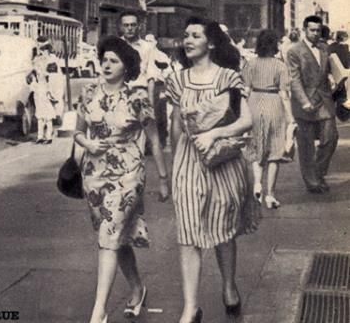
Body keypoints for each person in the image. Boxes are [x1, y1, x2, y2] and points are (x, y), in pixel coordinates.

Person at [166, 17, 256, 323]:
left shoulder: (228, 78)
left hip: (223, 164)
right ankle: (190, 307)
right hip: (188, 163)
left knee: (222, 230)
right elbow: (176, 126)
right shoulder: (177, 80)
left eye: (195, 35)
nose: (187, 40)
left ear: (211, 42)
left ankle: (229, 286)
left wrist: (215, 134)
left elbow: (246, 121)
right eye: (185, 35)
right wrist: (171, 169)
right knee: (188, 233)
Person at [74, 35, 169, 323]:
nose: (106, 64)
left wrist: (163, 178)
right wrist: (87, 144)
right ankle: (138, 289)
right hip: (93, 175)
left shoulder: (138, 97)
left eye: (113, 60)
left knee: (109, 237)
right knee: (117, 238)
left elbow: (154, 140)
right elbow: (77, 131)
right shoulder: (88, 93)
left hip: (128, 175)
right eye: (104, 59)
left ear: (126, 66)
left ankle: (98, 312)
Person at [242, 29, 295, 208]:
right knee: (274, 151)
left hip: (254, 103)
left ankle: (257, 184)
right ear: (274, 44)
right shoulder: (280, 65)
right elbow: (284, 93)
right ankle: (270, 195)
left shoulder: (250, 64)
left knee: (257, 145)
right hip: (274, 104)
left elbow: (246, 90)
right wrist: (290, 117)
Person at [286, 14, 338, 193]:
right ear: (304, 30)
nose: (316, 33)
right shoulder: (294, 51)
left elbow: (329, 71)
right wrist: (304, 101)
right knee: (306, 145)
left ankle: (318, 173)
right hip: (305, 102)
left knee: (331, 138)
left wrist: (332, 79)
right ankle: (312, 182)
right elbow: (294, 80)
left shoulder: (325, 48)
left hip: (324, 100)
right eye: (312, 30)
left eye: (318, 30)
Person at [27, 67, 55, 144]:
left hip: (45, 105)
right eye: (38, 75)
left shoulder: (46, 85)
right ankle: (40, 137)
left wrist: (50, 97)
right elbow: (30, 85)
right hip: (40, 105)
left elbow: (50, 94)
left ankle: (48, 137)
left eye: (40, 75)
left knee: (48, 120)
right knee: (40, 120)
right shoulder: (36, 85)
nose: (39, 77)